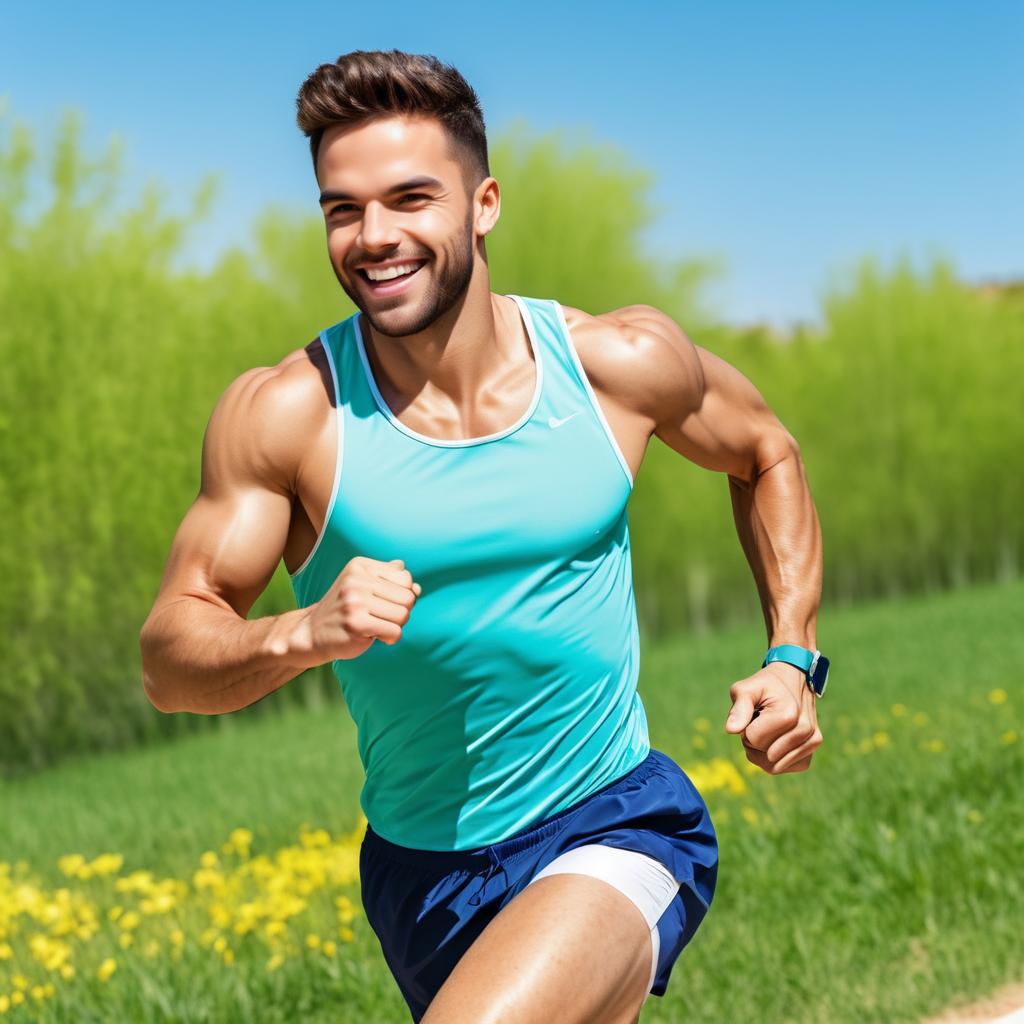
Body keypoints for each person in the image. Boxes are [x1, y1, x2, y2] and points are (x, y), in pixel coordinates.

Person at [140, 48, 827, 1024]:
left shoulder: (614, 364)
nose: (374, 237)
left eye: (409, 199)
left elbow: (766, 453)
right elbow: (170, 658)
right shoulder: (289, 416)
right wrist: (301, 631)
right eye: (343, 209)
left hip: (614, 819)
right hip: (419, 878)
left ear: (483, 204)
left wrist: (793, 656)